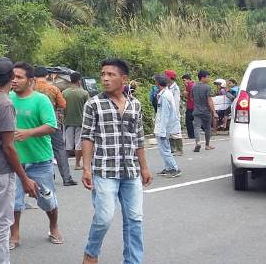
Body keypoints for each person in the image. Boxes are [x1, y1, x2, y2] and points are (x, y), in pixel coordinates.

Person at [81, 58, 153, 264]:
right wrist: (86, 168)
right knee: (103, 218)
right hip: (104, 170)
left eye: (110, 75)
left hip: (131, 172)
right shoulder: (93, 104)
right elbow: (87, 136)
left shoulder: (135, 105)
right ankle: (91, 253)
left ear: (124, 79)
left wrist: (145, 168)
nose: (105, 78)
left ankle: (133, 261)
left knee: (135, 219)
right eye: (103, 74)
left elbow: (138, 138)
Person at [0, 58, 38, 264]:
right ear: (11, 78)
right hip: (1, 170)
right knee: (2, 222)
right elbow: (9, 146)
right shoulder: (5, 104)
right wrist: (24, 177)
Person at [9, 62, 62, 249]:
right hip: (14, 161)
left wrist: (28, 132)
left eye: (19, 77)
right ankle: (14, 235)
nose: (14, 80)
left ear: (30, 80)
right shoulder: (7, 98)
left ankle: (53, 227)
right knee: (14, 201)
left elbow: (51, 126)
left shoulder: (41, 100)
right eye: (12, 76)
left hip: (40, 159)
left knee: (47, 199)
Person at [33, 66, 77, 186]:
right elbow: (63, 104)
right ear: (47, 75)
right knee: (59, 149)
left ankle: (46, 176)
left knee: (37, 149)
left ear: (33, 76)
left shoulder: (30, 89)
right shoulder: (53, 88)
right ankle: (67, 178)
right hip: (52, 123)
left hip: (33, 125)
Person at [154, 75, 182, 178]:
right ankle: (168, 168)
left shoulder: (165, 96)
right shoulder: (165, 93)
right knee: (164, 149)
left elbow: (165, 114)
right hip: (164, 126)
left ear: (158, 83)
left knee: (164, 149)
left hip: (164, 127)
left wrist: (162, 131)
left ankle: (174, 168)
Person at [62, 72, 90, 171]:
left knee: (67, 145)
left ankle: (64, 165)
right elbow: (88, 108)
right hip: (80, 122)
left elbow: (62, 108)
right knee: (79, 144)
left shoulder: (64, 93)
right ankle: (77, 164)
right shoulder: (84, 93)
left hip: (67, 122)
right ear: (79, 80)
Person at [191, 70, 216, 152]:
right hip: (206, 111)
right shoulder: (207, 87)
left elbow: (192, 98)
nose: (209, 79)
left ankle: (198, 142)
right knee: (207, 128)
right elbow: (209, 100)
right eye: (207, 77)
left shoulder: (193, 87)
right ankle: (207, 145)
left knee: (197, 127)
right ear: (203, 77)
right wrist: (214, 112)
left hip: (196, 110)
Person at [164, 70, 183, 156]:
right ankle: (172, 148)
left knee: (176, 132)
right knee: (169, 132)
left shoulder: (176, 88)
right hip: (167, 113)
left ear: (169, 78)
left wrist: (174, 114)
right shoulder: (166, 87)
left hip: (174, 113)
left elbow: (176, 102)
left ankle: (179, 149)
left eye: (166, 76)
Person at [182, 74, 196, 140]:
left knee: (188, 121)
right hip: (196, 105)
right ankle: (207, 130)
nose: (183, 82)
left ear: (188, 79)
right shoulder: (195, 84)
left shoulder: (189, 85)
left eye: (184, 80)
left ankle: (191, 135)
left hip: (190, 105)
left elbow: (185, 95)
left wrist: (184, 92)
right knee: (196, 119)